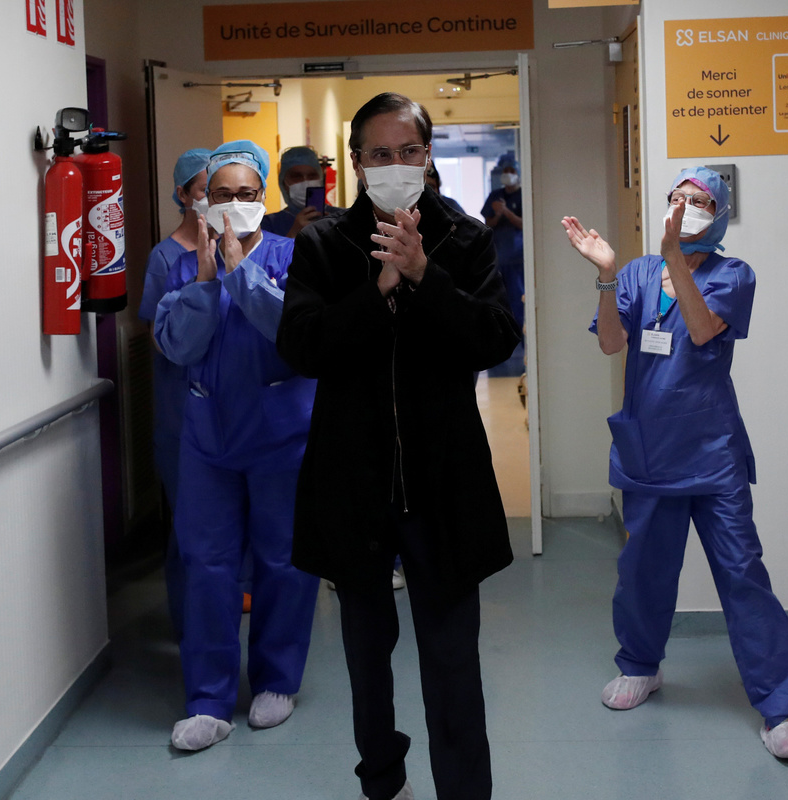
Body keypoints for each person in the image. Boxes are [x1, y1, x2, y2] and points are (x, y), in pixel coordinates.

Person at [277, 93, 521, 800]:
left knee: (453, 659)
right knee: (366, 659)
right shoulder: (324, 245)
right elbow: (301, 347)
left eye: (407, 151)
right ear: (356, 163)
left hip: (442, 481)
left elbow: (495, 338)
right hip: (353, 481)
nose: (395, 164)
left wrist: (422, 277)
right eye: (379, 154)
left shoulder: (464, 239)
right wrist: (375, 291)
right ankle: (382, 780)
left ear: (427, 155)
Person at [561, 166, 788, 760]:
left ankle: (782, 706)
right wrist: (607, 275)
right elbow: (610, 343)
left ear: (720, 213)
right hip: (649, 450)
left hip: (711, 450)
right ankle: (640, 664)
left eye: (697, 200)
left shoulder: (734, 274)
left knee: (742, 572)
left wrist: (676, 256)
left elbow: (703, 332)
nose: (683, 206)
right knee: (643, 570)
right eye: (676, 197)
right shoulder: (638, 272)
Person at [155, 140, 319, 751]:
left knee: (284, 561)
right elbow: (178, 346)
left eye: (246, 194)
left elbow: (293, 333)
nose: (233, 203)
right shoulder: (184, 264)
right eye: (220, 194)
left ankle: (277, 680)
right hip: (208, 441)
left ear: (263, 197)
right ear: (203, 200)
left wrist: (240, 271)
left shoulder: (293, 256)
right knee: (207, 565)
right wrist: (205, 282)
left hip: (282, 437)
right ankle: (208, 699)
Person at [138, 147, 211, 636]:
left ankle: (215, 615)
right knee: (190, 525)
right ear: (182, 194)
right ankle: (189, 626)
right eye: (206, 191)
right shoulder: (166, 258)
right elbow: (159, 338)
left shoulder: (234, 249)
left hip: (224, 414)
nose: (214, 200)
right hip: (180, 415)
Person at [481, 153, 524, 330]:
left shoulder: (524, 196)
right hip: (499, 259)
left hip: (517, 260)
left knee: (518, 300)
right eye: (505, 171)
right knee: (499, 300)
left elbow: (525, 224)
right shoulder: (496, 195)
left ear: (518, 173)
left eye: (511, 171)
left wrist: (506, 211)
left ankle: (520, 336)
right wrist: (498, 214)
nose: (508, 174)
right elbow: (488, 223)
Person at [263, 145, 337, 238]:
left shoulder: (342, 217)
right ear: (284, 184)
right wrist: (294, 233)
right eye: (297, 177)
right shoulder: (268, 224)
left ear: (320, 179)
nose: (306, 182)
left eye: (312, 176)